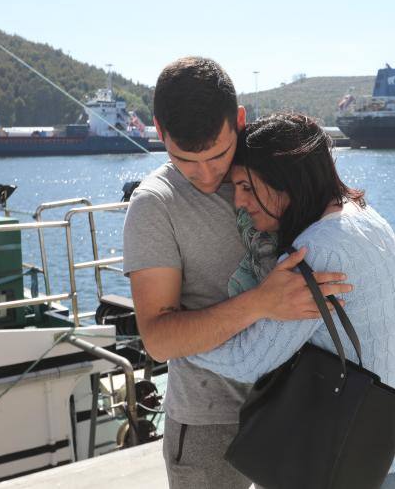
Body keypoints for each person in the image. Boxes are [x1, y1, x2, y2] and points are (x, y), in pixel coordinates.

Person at [123, 57, 367, 488]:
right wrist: (259, 302)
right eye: (184, 160)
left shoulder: (273, 160)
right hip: (208, 425)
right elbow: (158, 339)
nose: (206, 174)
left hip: (295, 402)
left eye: (218, 156)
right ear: (160, 133)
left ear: (239, 120)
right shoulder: (154, 205)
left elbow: (342, 222)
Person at [188, 113, 395, 487]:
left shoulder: (314, 252)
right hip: (392, 441)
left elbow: (248, 361)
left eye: (247, 186)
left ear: (287, 179)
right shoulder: (364, 214)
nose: (239, 202)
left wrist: (171, 339)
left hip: (343, 458)